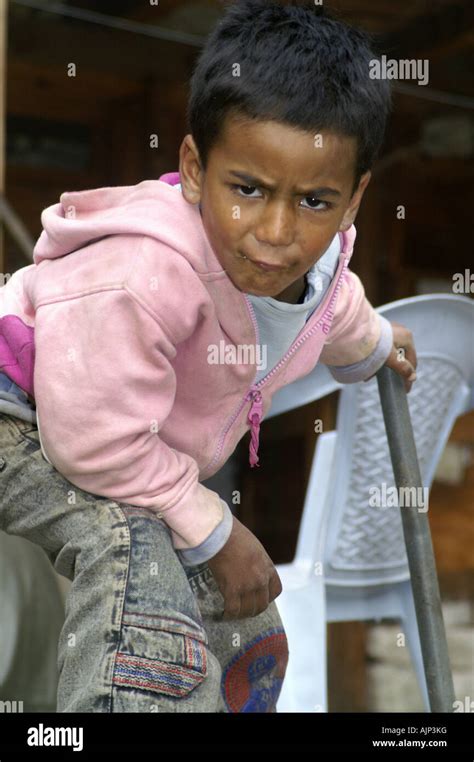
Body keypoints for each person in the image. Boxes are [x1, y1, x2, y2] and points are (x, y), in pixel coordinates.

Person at [0, 0, 417, 713]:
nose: (276, 230)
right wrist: (214, 527)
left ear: (352, 202)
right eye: (246, 189)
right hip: (24, 421)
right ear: (194, 168)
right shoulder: (143, 272)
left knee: (244, 614)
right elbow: (91, 443)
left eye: (315, 200)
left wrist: (378, 342)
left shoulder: (313, 266)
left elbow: (330, 303)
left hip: (114, 446)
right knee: (132, 552)